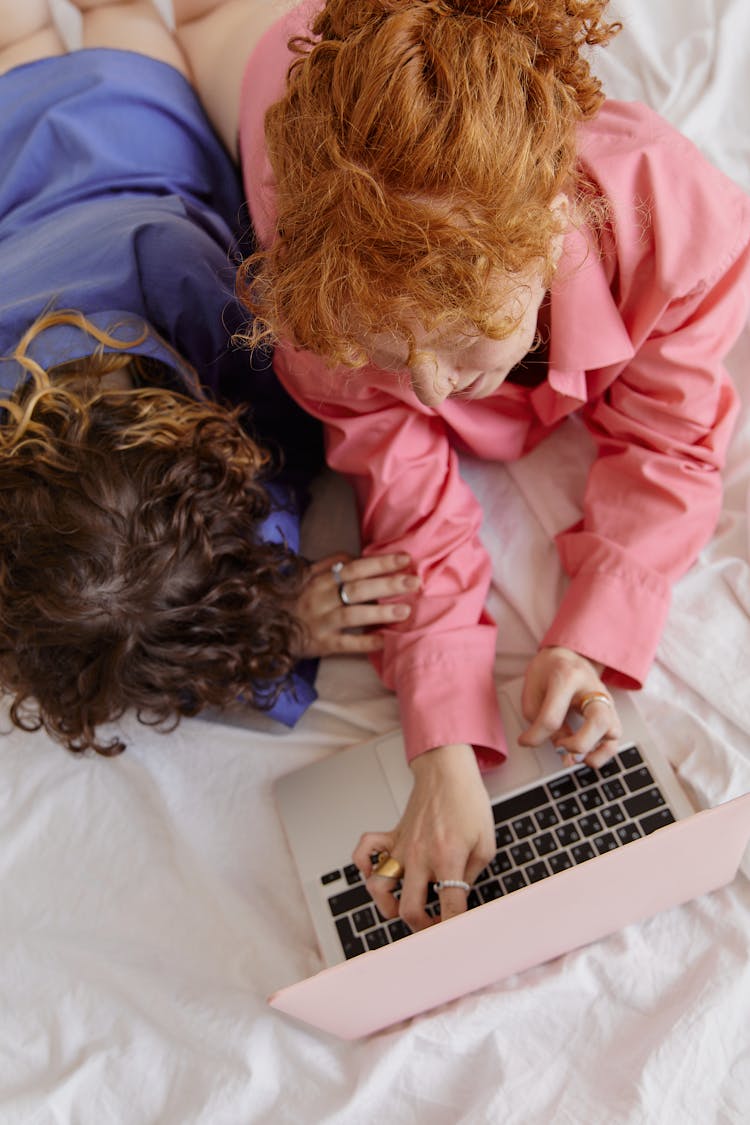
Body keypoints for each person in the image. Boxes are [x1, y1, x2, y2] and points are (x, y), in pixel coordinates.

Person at [169, 0, 750, 930]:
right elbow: (406, 498)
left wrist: (587, 641)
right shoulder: (324, 311)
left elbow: (672, 444)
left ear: (551, 227)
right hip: (286, 58)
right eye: (393, 358)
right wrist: (439, 746)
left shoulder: (679, 226)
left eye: (461, 341)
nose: (434, 396)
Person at [0, 0, 419, 757]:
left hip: (128, 124)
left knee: (110, 17)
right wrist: (275, 621)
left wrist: (277, 608)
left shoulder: (185, 278)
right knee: (60, 25)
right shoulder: (164, 280)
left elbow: (298, 428)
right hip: (38, 145)